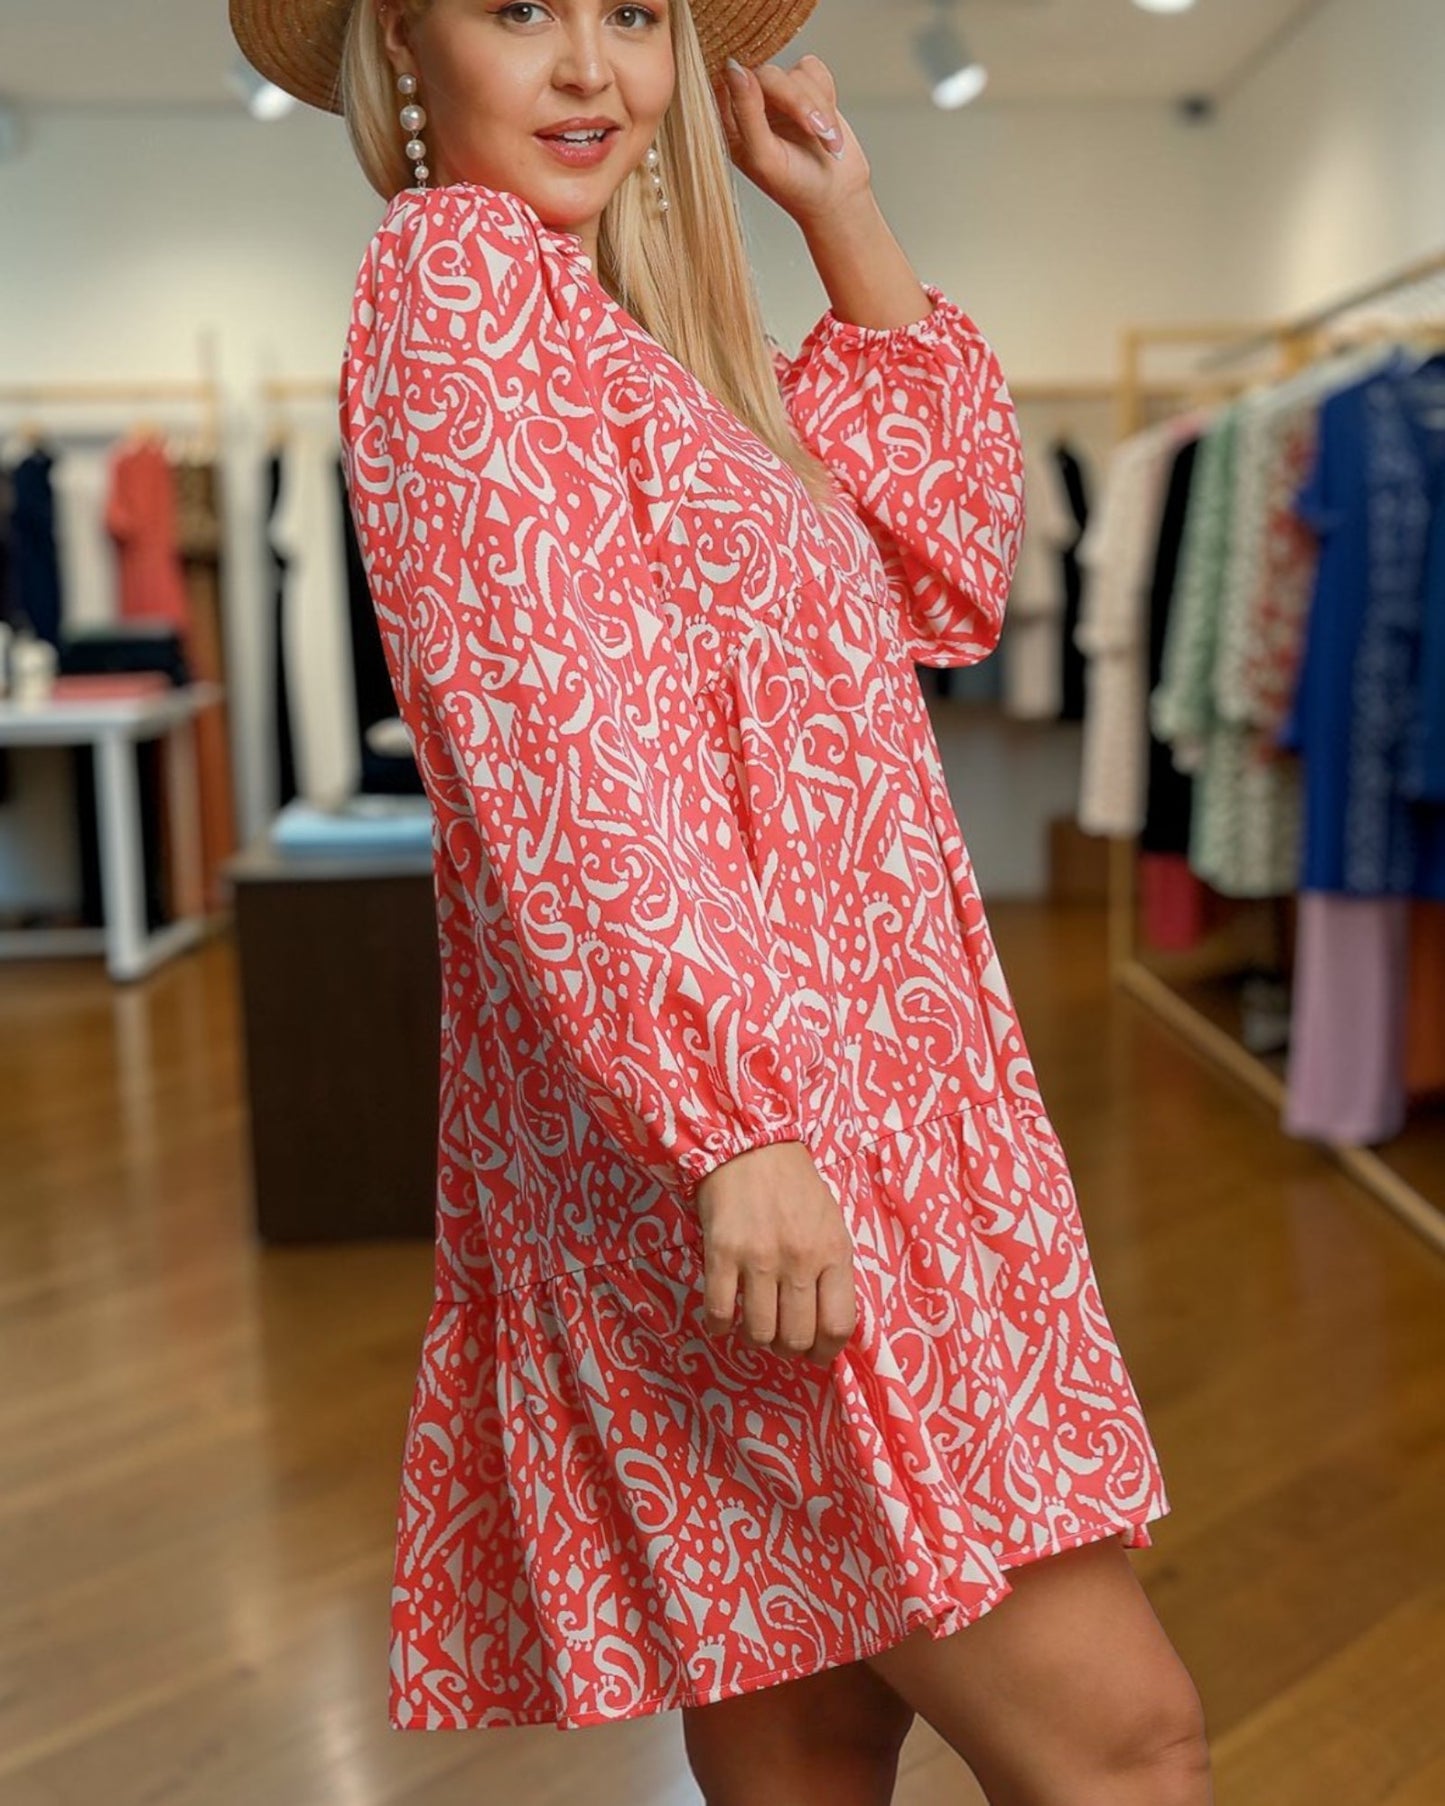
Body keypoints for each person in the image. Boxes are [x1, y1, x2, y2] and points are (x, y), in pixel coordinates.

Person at [229, 1, 1214, 1799]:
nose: (591, 68)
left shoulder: (639, 343)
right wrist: (733, 1120)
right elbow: (556, 732)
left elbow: (945, 559)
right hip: (760, 1137)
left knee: (817, 1729)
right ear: (401, 38)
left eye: (633, 13)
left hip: (828, 1121)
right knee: (1124, 1743)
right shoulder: (462, 281)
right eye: (520, 8)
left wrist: (836, 204)